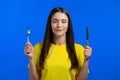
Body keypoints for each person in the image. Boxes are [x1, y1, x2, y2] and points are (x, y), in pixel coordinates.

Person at [24, 7, 92, 80]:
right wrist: (31, 59)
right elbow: (34, 79)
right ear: (50, 24)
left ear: (68, 25)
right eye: (55, 21)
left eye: (63, 21)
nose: (59, 25)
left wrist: (86, 61)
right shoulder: (39, 47)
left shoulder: (78, 49)